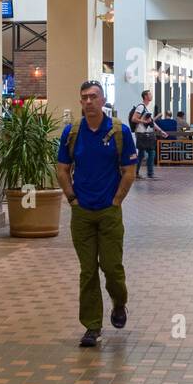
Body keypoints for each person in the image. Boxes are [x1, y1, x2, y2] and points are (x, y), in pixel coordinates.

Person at [56, 79, 138, 348]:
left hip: (109, 212)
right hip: (82, 213)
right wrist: (72, 199)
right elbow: (62, 168)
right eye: (84, 97)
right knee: (88, 271)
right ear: (80, 102)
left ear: (103, 100)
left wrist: (116, 200)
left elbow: (129, 171)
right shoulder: (72, 132)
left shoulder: (119, 132)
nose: (88, 101)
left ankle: (119, 302)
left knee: (112, 268)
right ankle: (92, 326)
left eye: (93, 96)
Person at [129, 89, 168, 180]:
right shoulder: (141, 107)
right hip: (142, 133)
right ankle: (143, 173)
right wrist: (144, 121)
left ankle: (142, 173)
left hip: (147, 133)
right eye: (150, 94)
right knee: (147, 153)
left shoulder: (146, 108)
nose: (151, 96)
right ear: (145, 96)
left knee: (146, 153)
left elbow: (151, 122)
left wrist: (161, 131)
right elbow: (134, 119)